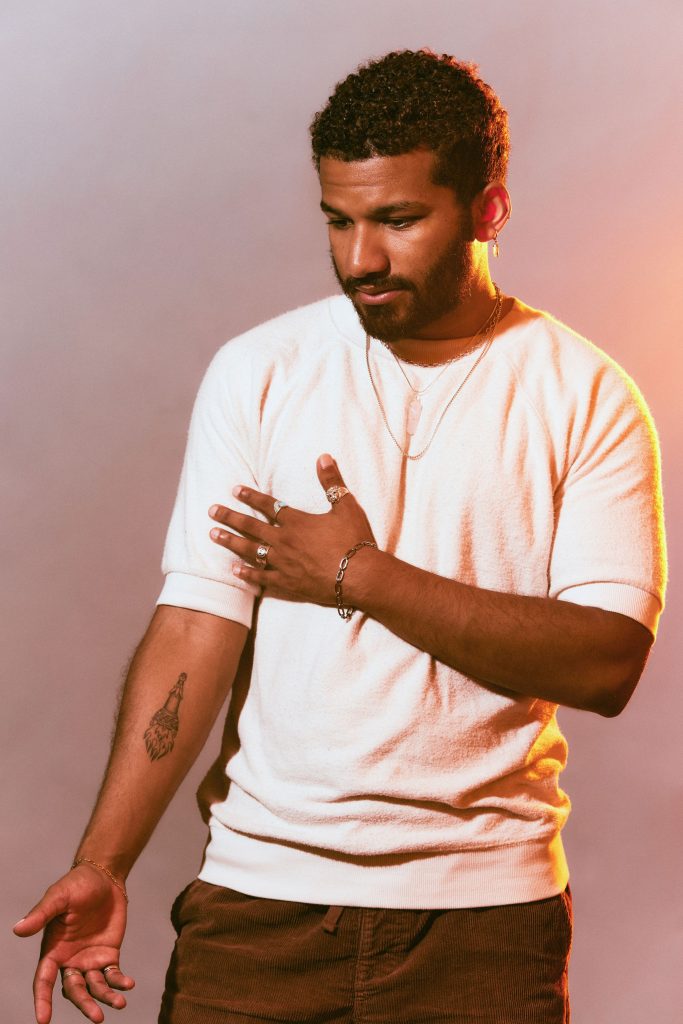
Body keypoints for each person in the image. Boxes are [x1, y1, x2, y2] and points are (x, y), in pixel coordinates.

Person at [14, 49, 666, 1024]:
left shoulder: (585, 394)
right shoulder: (260, 371)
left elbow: (605, 660)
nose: (360, 255)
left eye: (397, 220)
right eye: (338, 218)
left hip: (483, 923)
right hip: (258, 911)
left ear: (487, 210)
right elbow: (197, 625)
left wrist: (362, 575)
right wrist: (104, 860)